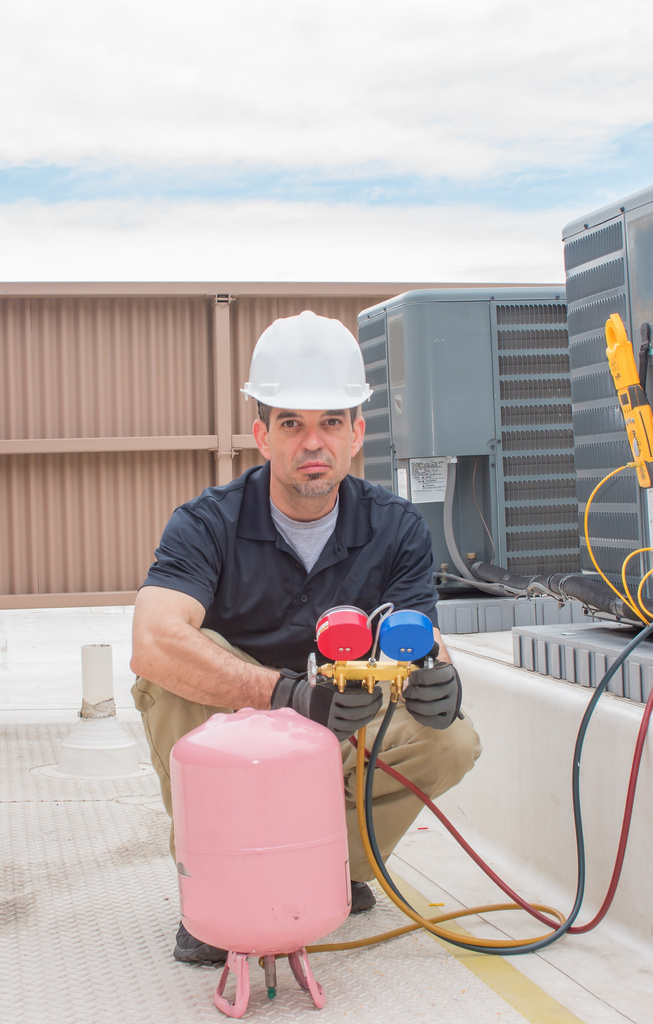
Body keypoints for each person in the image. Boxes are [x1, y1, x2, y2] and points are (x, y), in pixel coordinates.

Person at [130, 311, 482, 966]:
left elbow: (419, 639)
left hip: (338, 731)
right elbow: (151, 641)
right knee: (168, 673)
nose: (311, 443)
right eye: (292, 423)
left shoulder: (398, 529)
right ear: (262, 436)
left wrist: (438, 679)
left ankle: (329, 867)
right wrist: (287, 695)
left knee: (450, 738)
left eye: (331, 423)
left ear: (357, 436)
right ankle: (216, 890)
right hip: (233, 734)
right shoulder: (208, 524)